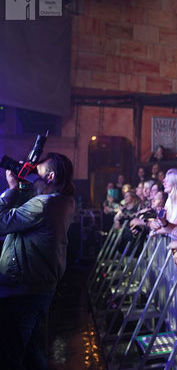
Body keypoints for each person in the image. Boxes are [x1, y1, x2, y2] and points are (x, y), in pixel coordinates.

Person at [0, 153, 75, 369]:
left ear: (50, 176)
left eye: (38, 173)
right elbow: (26, 211)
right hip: (38, 289)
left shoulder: (45, 204)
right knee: (32, 351)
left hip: (23, 291)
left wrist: (13, 188)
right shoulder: (63, 200)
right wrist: (24, 185)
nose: (35, 177)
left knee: (10, 355)